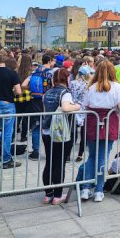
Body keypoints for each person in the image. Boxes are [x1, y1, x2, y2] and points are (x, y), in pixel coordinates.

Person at [79, 60, 120, 202]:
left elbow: (85, 106)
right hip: (109, 123)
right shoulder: (116, 87)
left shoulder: (91, 87)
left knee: (92, 157)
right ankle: (99, 190)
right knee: (103, 157)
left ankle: (86, 188)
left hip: (93, 123)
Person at [41, 68, 81, 205]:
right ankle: (58, 195)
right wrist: (76, 106)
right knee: (59, 163)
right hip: (61, 132)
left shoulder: (47, 93)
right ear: (66, 79)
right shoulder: (65, 93)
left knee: (50, 162)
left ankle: (48, 194)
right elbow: (65, 108)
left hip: (47, 131)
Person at [22, 54, 55, 160]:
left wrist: (31, 89)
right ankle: (50, 152)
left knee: (36, 128)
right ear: (49, 61)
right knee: (49, 128)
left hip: (35, 102)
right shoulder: (51, 73)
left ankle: (35, 152)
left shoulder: (34, 72)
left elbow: (23, 85)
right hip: (48, 102)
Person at [70, 65, 94, 162]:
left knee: (73, 134)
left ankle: (67, 154)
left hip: (73, 108)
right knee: (84, 134)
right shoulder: (89, 85)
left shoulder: (72, 83)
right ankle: (80, 154)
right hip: (84, 109)